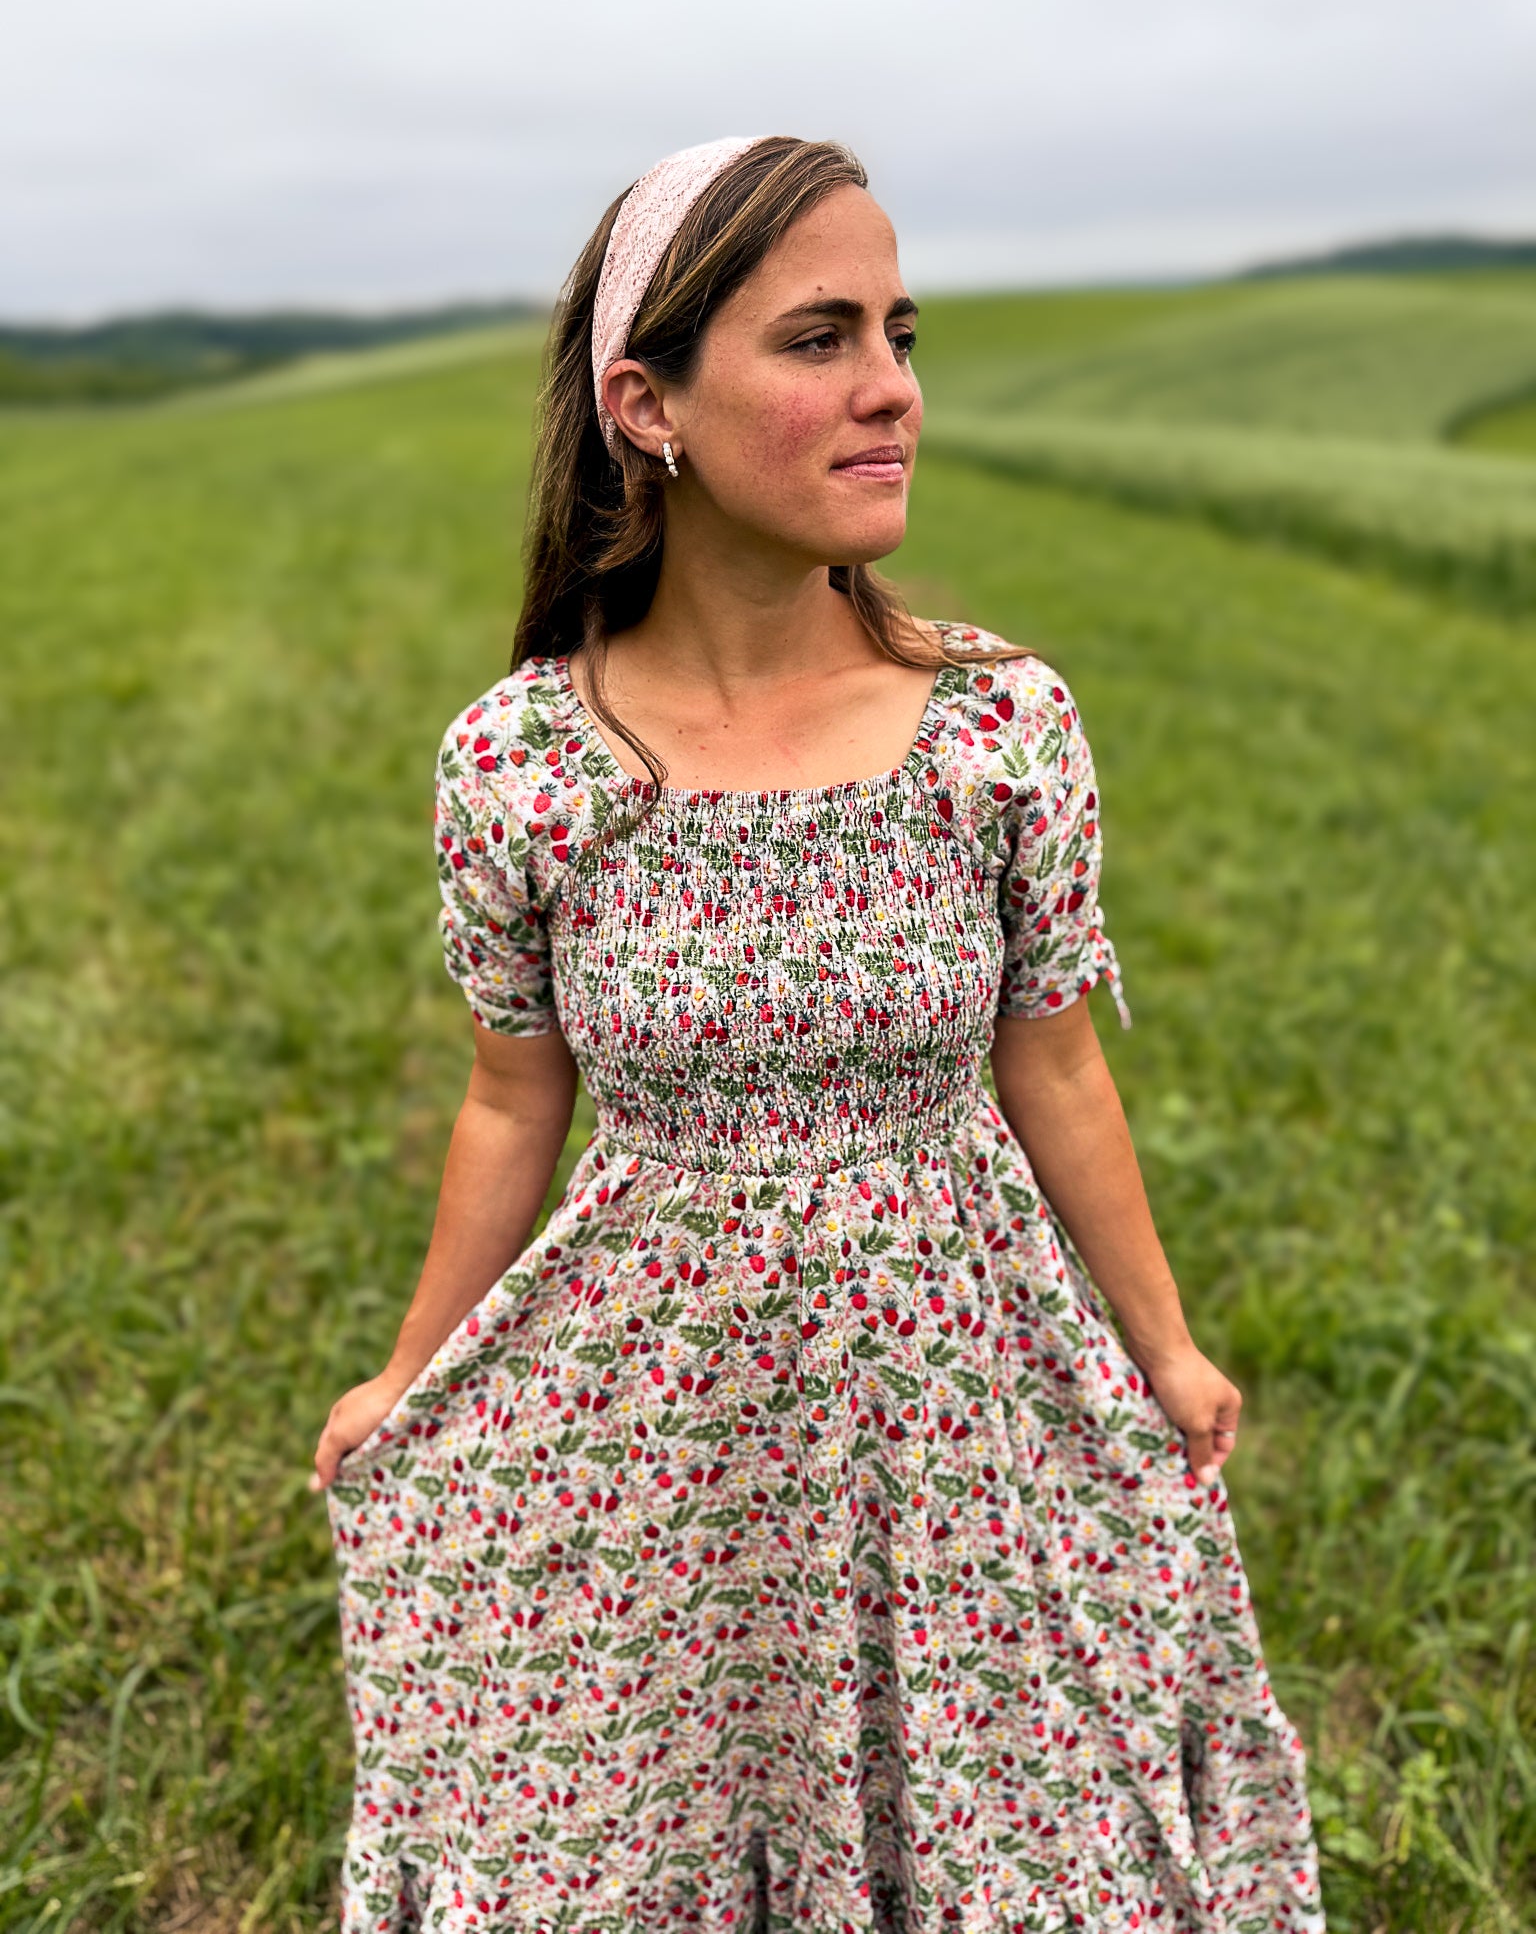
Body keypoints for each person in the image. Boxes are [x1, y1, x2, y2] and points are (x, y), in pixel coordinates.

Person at [312, 135, 1327, 1934]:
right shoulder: (525, 766)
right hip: (658, 1409)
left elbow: (1057, 1060)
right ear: (651, 406)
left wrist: (1161, 1346)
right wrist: (412, 1374)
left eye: (902, 332)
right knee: (651, 1840)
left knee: (1003, 1837)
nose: (892, 391)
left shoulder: (994, 727)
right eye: (819, 339)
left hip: (962, 1397)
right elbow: (507, 1099)